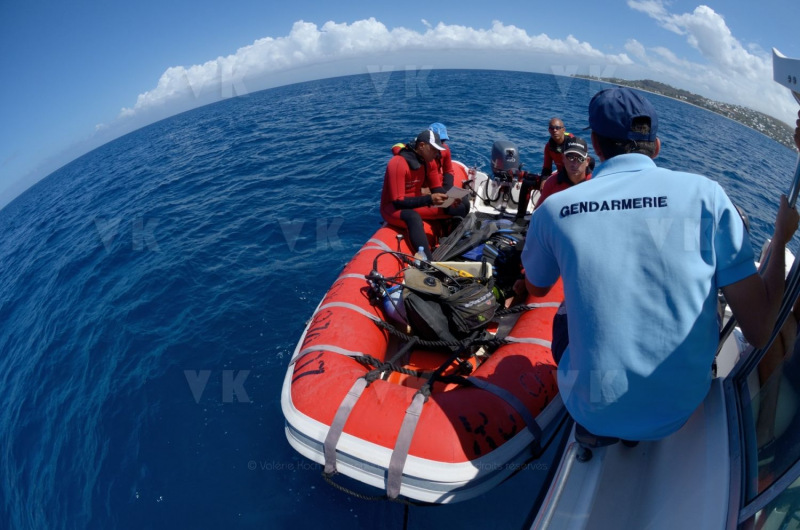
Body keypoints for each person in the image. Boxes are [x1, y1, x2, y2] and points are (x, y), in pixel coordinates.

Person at [520, 86, 800, 441]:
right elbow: (760, 333)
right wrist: (780, 238)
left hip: (591, 412)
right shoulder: (708, 196)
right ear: (656, 146)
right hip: (681, 410)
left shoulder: (554, 210)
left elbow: (536, 287)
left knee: (564, 308)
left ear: (595, 144)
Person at [380, 129, 469, 259]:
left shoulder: (429, 162)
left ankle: (451, 241)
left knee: (460, 206)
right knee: (413, 217)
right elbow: (397, 201)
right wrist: (429, 200)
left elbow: (436, 187)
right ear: (421, 146)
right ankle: (428, 263)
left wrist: (450, 198)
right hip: (393, 207)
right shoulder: (397, 163)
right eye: (434, 149)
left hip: (417, 202)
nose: (437, 153)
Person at [515, 118, 574, 223]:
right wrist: (544, 180)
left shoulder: (572, 144)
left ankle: (541, 218)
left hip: (571, 180)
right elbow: (547, 168)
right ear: (549, 130)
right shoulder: (549, 147)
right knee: (527, 182)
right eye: (552, 128)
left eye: (557, 128)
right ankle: (520, 218)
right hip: (558, 176)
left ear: (563, 129)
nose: (554, 130)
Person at [535, 136, 593, 208]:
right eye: (570, 157)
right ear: (563, 158)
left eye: (580, 159)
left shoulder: (595, 183)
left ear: (587, 161)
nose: (574, 164)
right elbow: (537, 214)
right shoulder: (551, 183)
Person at [429, 122, 456, 190]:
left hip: (439, 185)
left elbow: (448, 170)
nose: (440, 144)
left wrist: (448, 187)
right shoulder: (422, 153)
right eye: (437, 141)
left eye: (442, 141)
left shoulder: (445, 149)